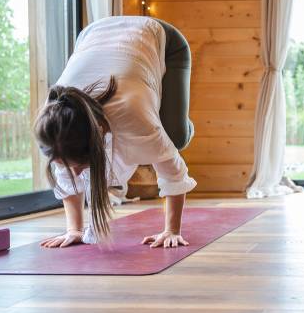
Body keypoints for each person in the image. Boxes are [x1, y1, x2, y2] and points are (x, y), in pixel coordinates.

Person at [34, 16, 196, 248]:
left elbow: (173, 173)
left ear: (97, 134)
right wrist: (74, 229)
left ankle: (181, 123)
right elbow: (67, 179)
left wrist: (171, 230)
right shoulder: (55, 127)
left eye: (80, 164)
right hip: (91, 36)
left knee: (175, 138)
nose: (77, 173)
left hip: (159, 38)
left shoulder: (133, 117)